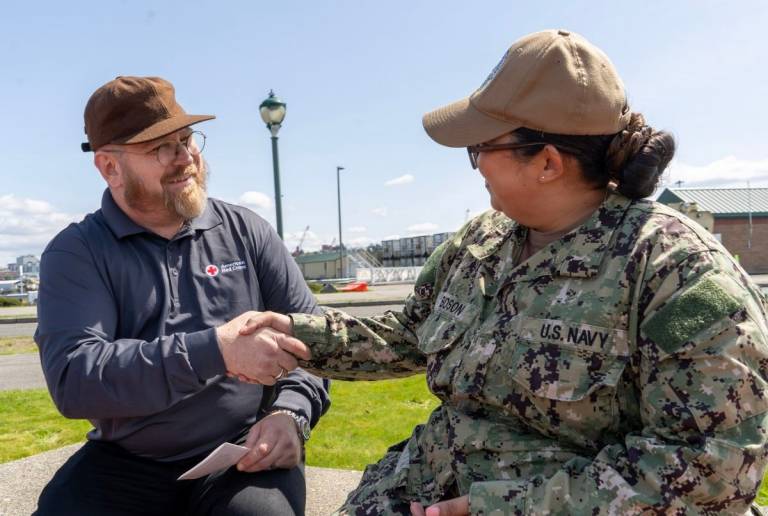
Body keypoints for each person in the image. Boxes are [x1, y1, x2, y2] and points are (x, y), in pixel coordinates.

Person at [240, 30, 768, 515]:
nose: (475, 165)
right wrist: (296, 335)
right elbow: (410, 334)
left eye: (479, 148)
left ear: (547, 162)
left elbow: (711, 468)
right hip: (419, 487)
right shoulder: (483, 241)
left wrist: (508, 507)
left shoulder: (675, 272)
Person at [34, 76, 330, 516]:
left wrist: (291, 413)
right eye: (160, 147)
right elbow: (76, 378)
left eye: (187, 139)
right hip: (128, 461)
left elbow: (316, 340)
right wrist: (216, 351)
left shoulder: (245, 231)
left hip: (243, 450)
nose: (186, 158)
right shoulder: (77, 252)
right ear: (109, 167)